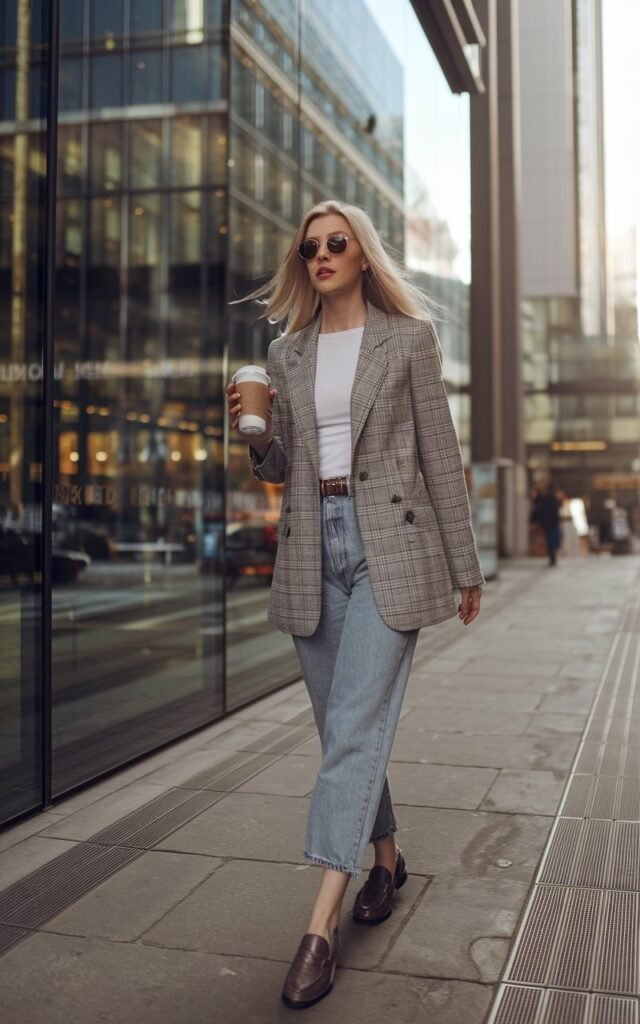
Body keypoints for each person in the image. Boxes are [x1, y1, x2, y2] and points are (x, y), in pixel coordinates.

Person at [226, 200, 484, 1009]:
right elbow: (284, 467)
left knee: (352, 732)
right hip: (313, 548)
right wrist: (256, 439)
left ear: (364, 254)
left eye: (337, 244)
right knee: (347, 725)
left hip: (390, 550)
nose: (323, 256)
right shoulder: (285, 352)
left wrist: (466, 563)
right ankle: (388, 860)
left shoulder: (407, 341)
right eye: (310, 249)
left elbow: (440, 455)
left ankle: (319, 926)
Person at [531, 480, 562, 565]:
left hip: (547, 522)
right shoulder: (552, 497)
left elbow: (538, 508)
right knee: (553, 538)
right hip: (552, 521)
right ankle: (552, 555)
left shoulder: (544, 497)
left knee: (550, 538)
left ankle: (552, 555)